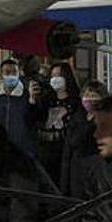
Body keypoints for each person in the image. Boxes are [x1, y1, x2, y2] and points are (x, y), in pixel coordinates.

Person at [30, 62, 81, 192]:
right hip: (46, 151)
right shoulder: (46, 99)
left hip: (65, 152)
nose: (55, 79)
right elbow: (34, 118)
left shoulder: (76, 101)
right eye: (52, 76)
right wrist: (33, 100)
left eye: (59, 75)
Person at [0, 59, 36, 157]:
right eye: (7, 72)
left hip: (23, 153)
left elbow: (35, 120)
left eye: (14, 72)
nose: (11, 75)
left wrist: (33, 101)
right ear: (0, 75)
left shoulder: (27, 97)